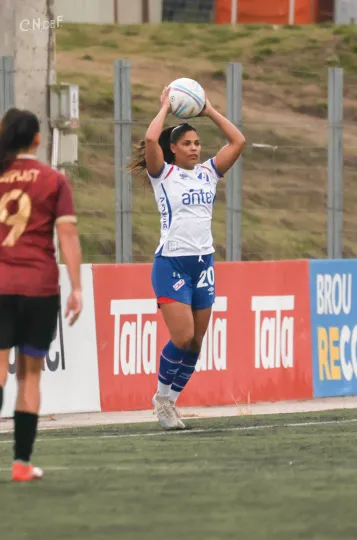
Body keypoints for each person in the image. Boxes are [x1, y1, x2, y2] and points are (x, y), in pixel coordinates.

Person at [129, 87, 245, 430]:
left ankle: (172, 402)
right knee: (181, 337)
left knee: (195, 343)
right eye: (187, 144)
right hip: (172, 263)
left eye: (197, 143)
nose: (195, 148)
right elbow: (151, 140)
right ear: (174, 149)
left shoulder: (209, 172)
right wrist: (165, 106)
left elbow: (238, 141)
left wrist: (209, 110)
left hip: (203, 264)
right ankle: (162, 399)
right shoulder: (163, 174)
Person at [0, 108, 82, 482]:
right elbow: (67, 234)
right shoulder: (53, 180)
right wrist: (77, 287)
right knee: (29, 376)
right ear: (37, 139)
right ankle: (21, 464)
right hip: (39, 287)